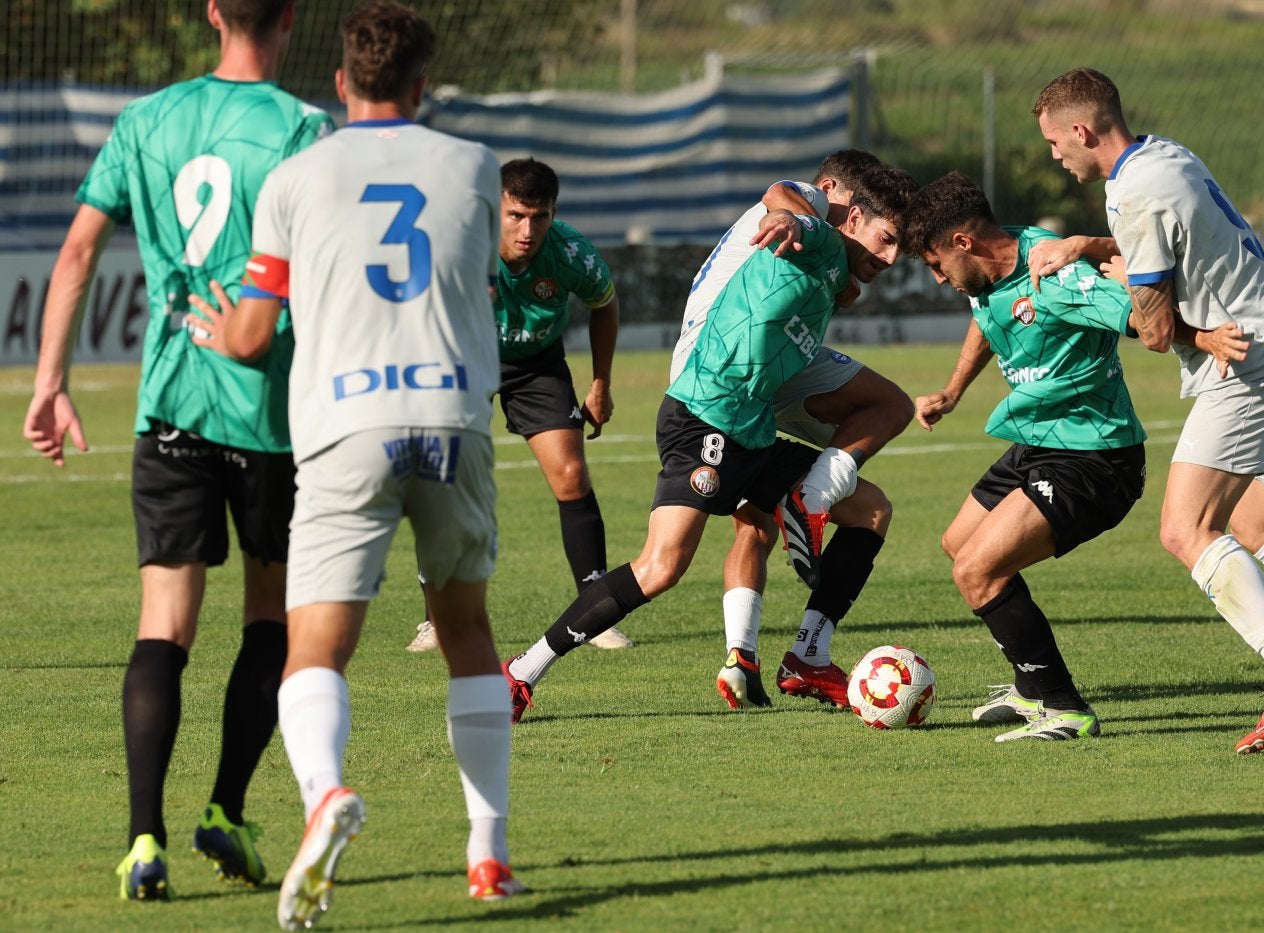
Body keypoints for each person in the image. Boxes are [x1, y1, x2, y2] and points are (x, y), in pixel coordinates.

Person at [188, 2, 520, 927]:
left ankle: (325, 797)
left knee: (317, 649)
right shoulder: (474, 166)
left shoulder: (296, 177)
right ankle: (487, 856)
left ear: (340, 83)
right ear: (423, 87)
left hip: (345, 426)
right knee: (467, 634)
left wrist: (217, 328)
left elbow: (254, 333)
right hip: (453, 420)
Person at [21, 0, 331, 901]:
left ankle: (143, 838)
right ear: (290, 19)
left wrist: (52, 380)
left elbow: (78, 251)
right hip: (270, 413)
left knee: (164, 625)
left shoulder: (144, 121)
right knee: (268, 620)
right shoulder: (303, 129)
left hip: (170, 410)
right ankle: (227, 809)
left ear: (210, 13)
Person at [1031, 67, 1264, 753]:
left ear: (1082, 130)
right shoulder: (1167, 155)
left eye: (1056, 143)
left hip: (1247, 363)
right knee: (1257, 521)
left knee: (1184, 528)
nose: (1056, 156)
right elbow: (1166, 251)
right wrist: (1087, 247)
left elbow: (1154, 329)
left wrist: (1092, 278)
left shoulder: (1130, 193)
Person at [502, 170, 914, 723]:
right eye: (886, 240)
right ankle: (522, 671)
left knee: (869, 509)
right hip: (703, 419)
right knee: (661, 567)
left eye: (900, 250)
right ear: (854, 219)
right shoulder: (817, 236)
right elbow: (791, 212)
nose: (890, 259)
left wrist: (845, 281)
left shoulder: (837, 275)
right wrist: (789, 221)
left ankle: (808, 654)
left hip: (752, 431)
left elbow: (835, 278)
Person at [905, 171, 1149, 741]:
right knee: (960, 544)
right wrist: (953, 390)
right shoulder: (992, 267)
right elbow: (986, 317)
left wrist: (1208, 336)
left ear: (963, 241)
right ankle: (1029, 687)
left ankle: (1063, 707)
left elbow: (1139, 316)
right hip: (1040, 443)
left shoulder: (1054, 273)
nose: (939, 279)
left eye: (937, 264)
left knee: (978, 571)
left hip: (1095, 457)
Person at [672, 151, 916, 709]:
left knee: (775, 521)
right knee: (886, 405)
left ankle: (756, 656)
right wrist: (796, 218)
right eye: (877, 232)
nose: (887, 254)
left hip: (758, 363)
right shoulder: (806, 205)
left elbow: (844, 289)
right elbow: (780, 195)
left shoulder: (824, 254)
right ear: (839, 199)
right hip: (729, 365)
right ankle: (813, 499)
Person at [407, 156, 631, 653]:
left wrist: (600, 383)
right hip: (463, 360)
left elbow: (604, 304)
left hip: (537, 365)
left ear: (553, 213)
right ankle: (435, 620)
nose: (528, 229)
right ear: (497, 206)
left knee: (571, 475)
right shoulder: (461, 244)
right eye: (516, 215)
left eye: (541, 216)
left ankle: (595, 612)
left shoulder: (573, 253)